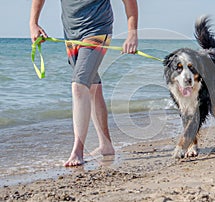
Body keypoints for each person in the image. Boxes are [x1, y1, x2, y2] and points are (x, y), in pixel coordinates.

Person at [29, 0, 138, 167]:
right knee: (92, 88)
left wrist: (132, 34)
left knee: (79, 85)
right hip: (71, 35)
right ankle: (106, 145)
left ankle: (77, 151)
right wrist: (33, 23)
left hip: (98, 30)